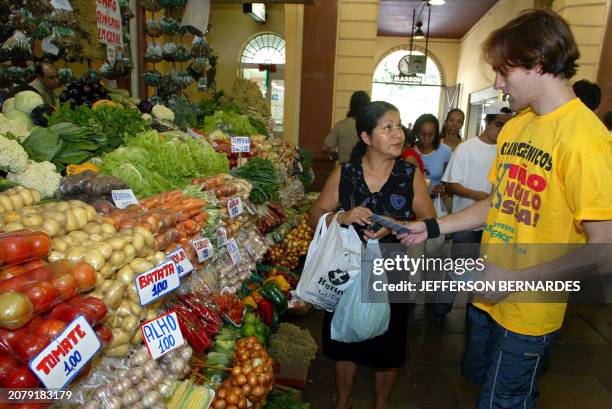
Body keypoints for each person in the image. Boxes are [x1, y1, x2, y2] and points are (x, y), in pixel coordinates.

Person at [396, 9, 612, 408]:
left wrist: (512, 281)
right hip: (486, 296)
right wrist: (434, 227)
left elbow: (603, 253)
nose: (497, 83)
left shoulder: (586, 140)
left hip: (529, 313)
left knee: (502, 402)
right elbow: (498, 204)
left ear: (538, 63)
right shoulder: (515, 127)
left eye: (503, 72)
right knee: (478, 386)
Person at [308, 101, 435, 409]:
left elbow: (431, 222)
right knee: (344, 339)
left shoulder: (410, 174)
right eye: (387, 127)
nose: (399, 134)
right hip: (347, 268)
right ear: (366, 137)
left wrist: (397, 226)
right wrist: (342, 217)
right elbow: (314, 216)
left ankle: (380, 403)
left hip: (393, 271)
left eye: (400, 126)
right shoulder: (345, 173)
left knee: (389, 345)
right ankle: (344, 400)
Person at [430, 101, 513, 322]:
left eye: (507, 125)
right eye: (498, 124)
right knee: (458, 267)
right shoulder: (467, 148)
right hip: (466, 221)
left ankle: (473, 312)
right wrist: (479, 197)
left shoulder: (508, 151)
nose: (502, 129)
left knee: (484, 270)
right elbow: (451, 184)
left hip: (496, 225)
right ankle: (441, 309)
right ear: (486, 122)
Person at [324, 90, 371, 163]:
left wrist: (338, 153)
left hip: (344, 168)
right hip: (365, 169)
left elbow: (326, 147)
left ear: (351, 105)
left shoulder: (341, 125)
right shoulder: (370, 126)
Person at [412, 114, 452, 197]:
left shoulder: (445, 151)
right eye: (423, 134)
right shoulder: (410, 151)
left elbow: (449, 180)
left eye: (431, 135)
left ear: (436, 134)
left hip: (435, 201)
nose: (426, 138)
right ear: (417, 132)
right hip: (412, 201)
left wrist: (443, 188)